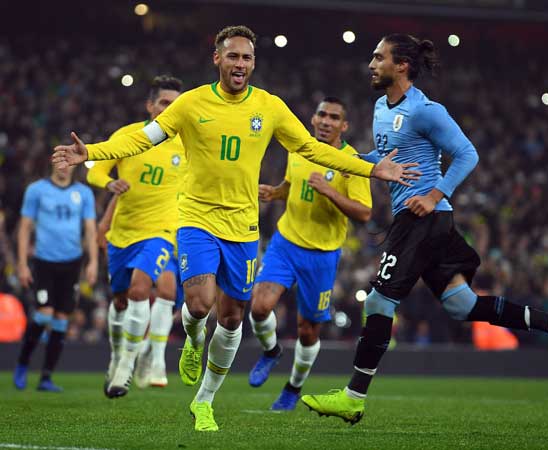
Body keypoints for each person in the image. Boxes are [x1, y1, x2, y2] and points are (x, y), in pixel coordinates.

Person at [52, 25, 420, 432]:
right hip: (196, 219)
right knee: (198, 305)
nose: (240, 64)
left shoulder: (270, 107)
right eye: (232, 56)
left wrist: (372, 168)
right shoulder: (191, 104)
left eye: (246, 58)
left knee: (231, 319)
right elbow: (143, 139)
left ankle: (204, 402)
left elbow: (312, 149)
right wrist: (93, 153)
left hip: (243, 228)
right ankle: (192, 340)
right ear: (217, 59)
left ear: (253, 63)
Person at [301, 34, 548, 425]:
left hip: (424, 217)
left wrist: (435, 194)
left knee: (377, 303)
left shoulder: (427, 110)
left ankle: (353, 397)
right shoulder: (379, 107)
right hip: (422, 220)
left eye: (378, 57)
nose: (370, 64)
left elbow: (468, 153)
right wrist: (350, 157)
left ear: (401, 65)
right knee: (462, 305)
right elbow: (384, 160)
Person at [248, 97, 373, 410]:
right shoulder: (299, 147)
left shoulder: (350, 163)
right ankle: (271, 350)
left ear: (343, 126)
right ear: (313, 119)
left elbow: (364, 213)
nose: (326, 121)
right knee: (260, 308)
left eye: (334, 117)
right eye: (322, 114)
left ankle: (294, 386)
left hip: (321, 255)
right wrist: (275, 193)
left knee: (308, 330)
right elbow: (292, 185)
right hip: (286, 242)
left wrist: (329, 191)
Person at [87, 75, 186, 397]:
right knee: (119, 300)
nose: (169, 110)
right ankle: (118, 357)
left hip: (162, 232)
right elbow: (95, 169)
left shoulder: (187, 143)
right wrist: (109, 184)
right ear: (150, 105)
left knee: (141, 289)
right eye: (164, 103)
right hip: (123, 233)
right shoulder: (129, 136)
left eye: (175, 105)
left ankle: (130, 365)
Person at [13, 163, 97, 392]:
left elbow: (90, 230)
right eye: (59, 161)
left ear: (73, 166)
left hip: (72, 263)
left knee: (61, 319)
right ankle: (22, 364)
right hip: (44, 261)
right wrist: (22, 264)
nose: (63, 167)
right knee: (44, 314)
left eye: (67, 162)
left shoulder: (84, 193)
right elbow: (25, 228)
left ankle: (46, 377)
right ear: (51, 163)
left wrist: (93, 262)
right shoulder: (37, 190)